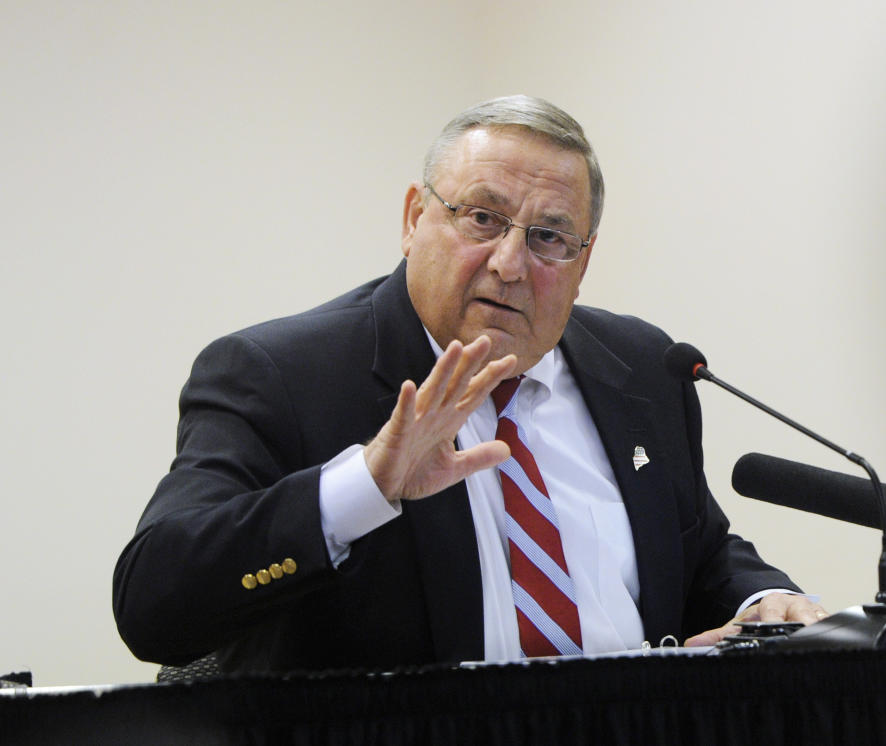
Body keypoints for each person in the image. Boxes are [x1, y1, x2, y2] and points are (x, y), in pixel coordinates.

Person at [113, 95, 825, 673]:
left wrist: (765, 600)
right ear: (414, 219)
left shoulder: (641, 365)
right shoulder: (282, 376)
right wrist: (364, 486)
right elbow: (153, 603)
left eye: (549, 238)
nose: (511, 263)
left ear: (583, 261)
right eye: (482, 218)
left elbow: (695, 554)